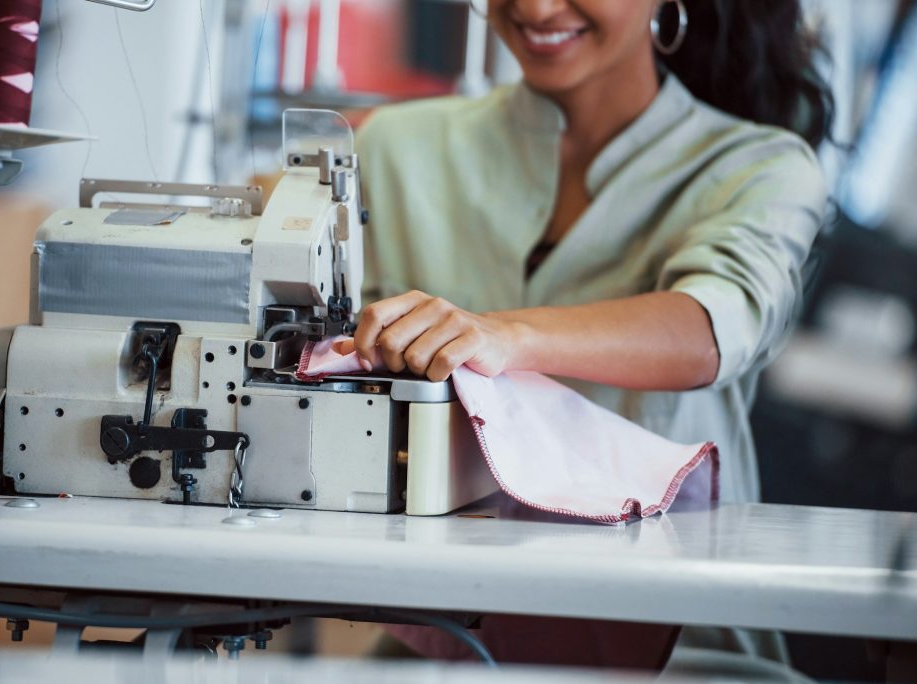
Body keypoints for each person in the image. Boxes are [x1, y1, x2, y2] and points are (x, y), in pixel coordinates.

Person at [352, 0, 832, 671]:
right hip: (454, 640)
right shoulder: (394, 149)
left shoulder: (763, 167)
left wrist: (502, 337)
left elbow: (709, 328)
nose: (536, 8)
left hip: (677, 645)